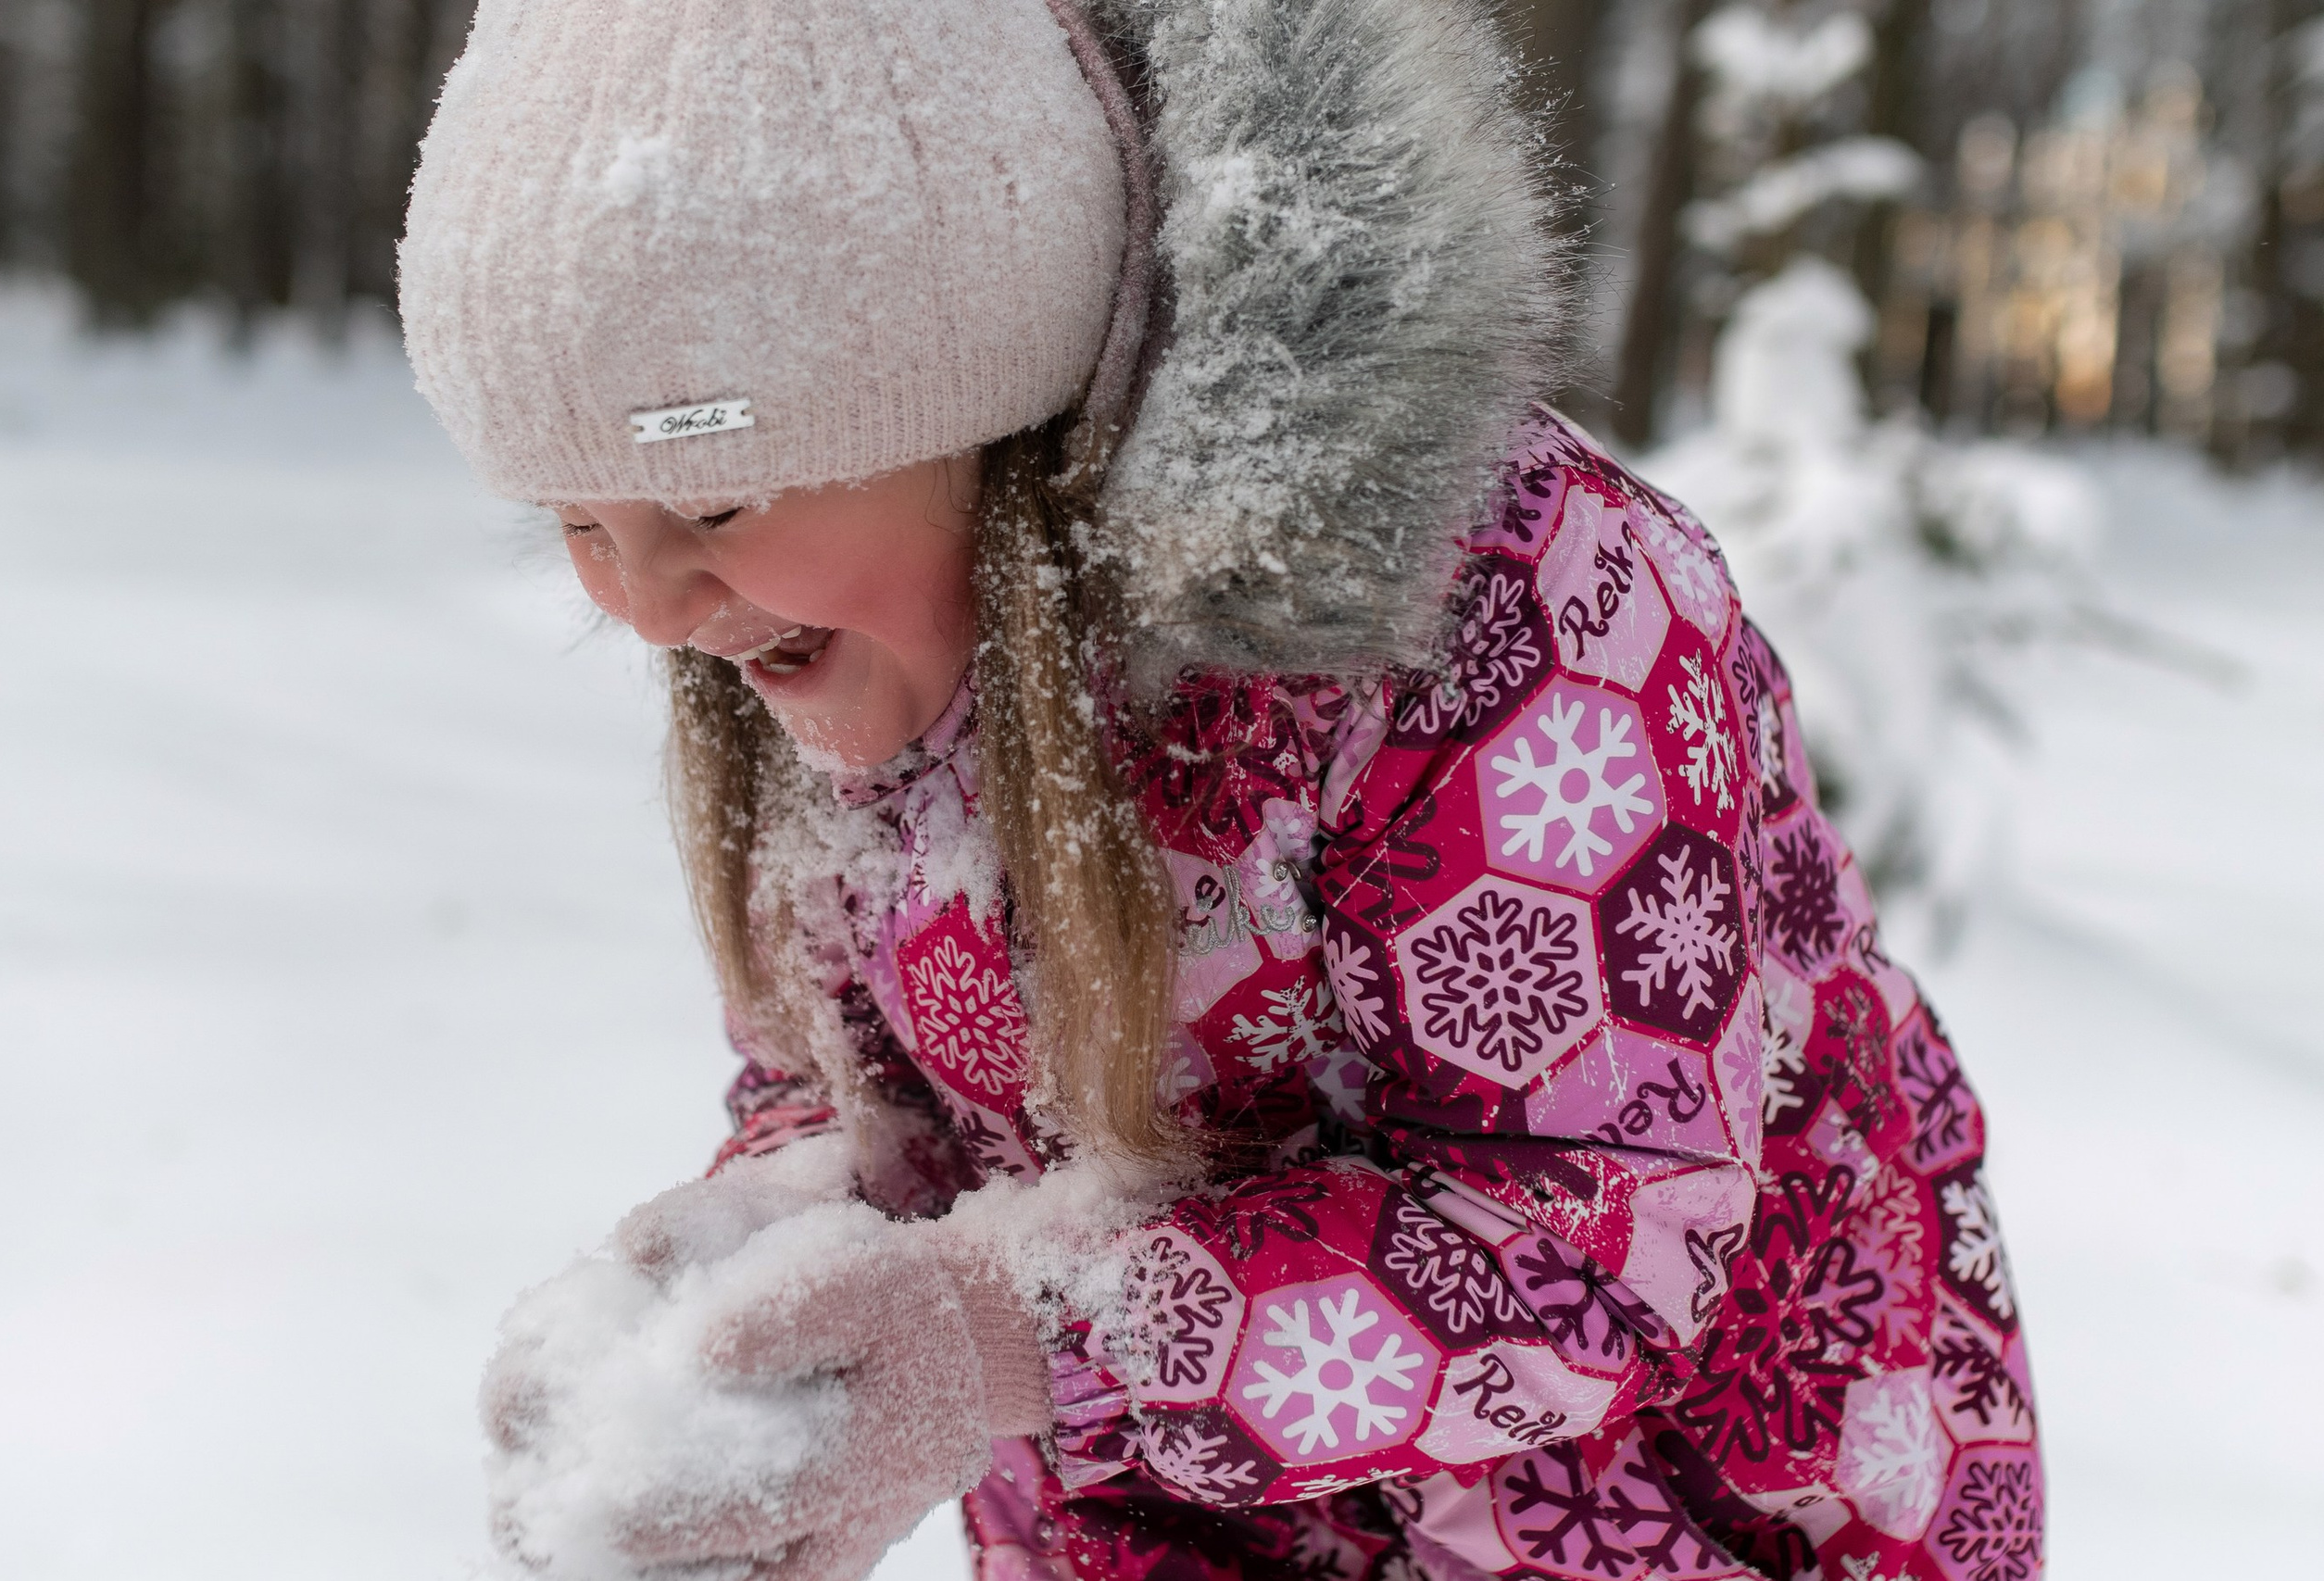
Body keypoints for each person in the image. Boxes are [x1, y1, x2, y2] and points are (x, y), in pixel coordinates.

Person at [397, 1, 2044, 1578]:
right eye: (579, 523)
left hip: (1675, 1511)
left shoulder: (1504, 609)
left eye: (720, 497)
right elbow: (854, 1075)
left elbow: (1591, 1234)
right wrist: (769, 1251)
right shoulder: (826, 635)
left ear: (980, 396)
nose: (653, 602)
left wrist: (1005, 1338)